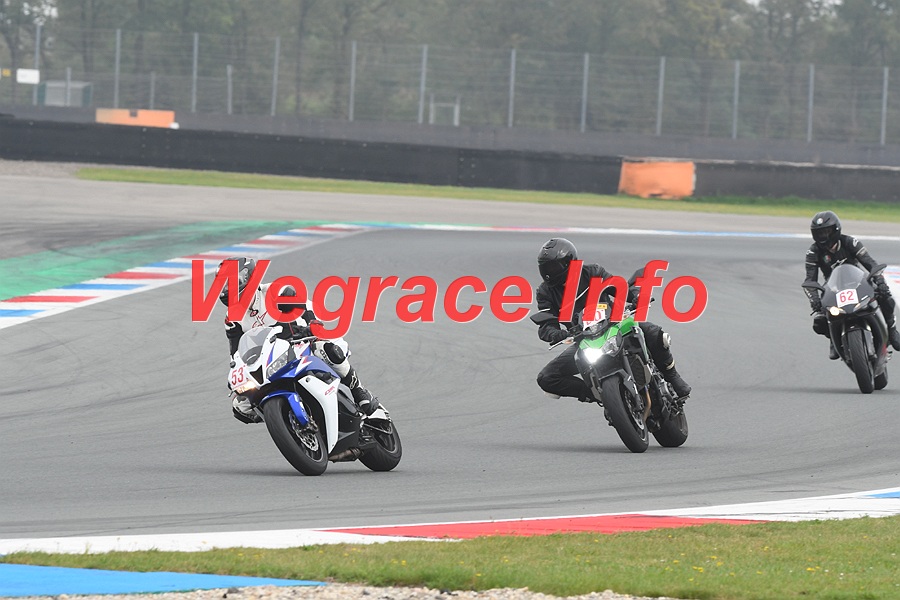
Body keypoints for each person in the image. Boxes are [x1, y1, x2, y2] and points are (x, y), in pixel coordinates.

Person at [216, 257, 379, 423]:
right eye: (224, 284)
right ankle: (281, 419)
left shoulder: (275, 291)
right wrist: (236, 376)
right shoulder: (232, 319)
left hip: (302, 339)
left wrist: (312, 325)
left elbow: (304, 308)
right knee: (240, 406)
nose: (228, 288)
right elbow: (236, 353)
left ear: (249, 278)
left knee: (327, 350)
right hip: (271, 358)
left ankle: (359, 391)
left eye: (232, 282)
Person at [533, 238, 692, 403]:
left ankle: (672, 376)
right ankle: (599, 395)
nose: (549, 272)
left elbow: (620, 289)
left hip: (615, 325)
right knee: (547, 377)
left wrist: (637, 296)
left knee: (654, 333)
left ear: (570, 262)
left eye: (553, 267)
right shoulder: (545, 292)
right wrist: (557, 334)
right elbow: (546, 325)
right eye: (545, 267)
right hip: (583, 339)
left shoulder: (592, 272)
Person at [804, 210, 900, 358]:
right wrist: (814, 300)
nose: (823, 237)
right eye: (819, 233)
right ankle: (833, 339)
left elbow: (870, 263)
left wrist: (880, 281)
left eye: (827, 232)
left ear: (836, 230)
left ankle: (892, 330)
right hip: (833, 287)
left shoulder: (850, 242)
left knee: (886, 297)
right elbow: (810, 280)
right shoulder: (813, 252)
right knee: (819, 321)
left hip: (859, 282)